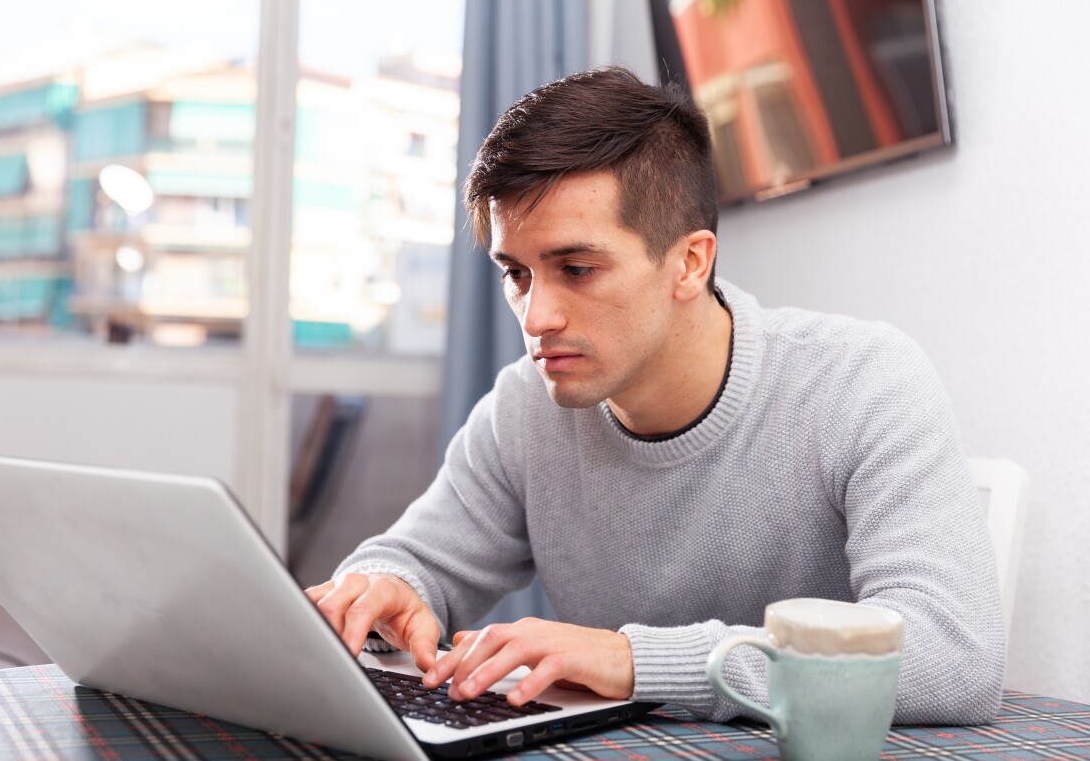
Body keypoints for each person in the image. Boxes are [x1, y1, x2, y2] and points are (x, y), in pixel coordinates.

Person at [306, 66, 1005, 725]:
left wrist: (637, 660)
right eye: (516, 273)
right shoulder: (525, 407)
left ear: (689, 262)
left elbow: (954, 656)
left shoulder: (860, 383)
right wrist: (380, 586)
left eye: (576, 268)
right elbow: (417, 562)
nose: (535, 316)